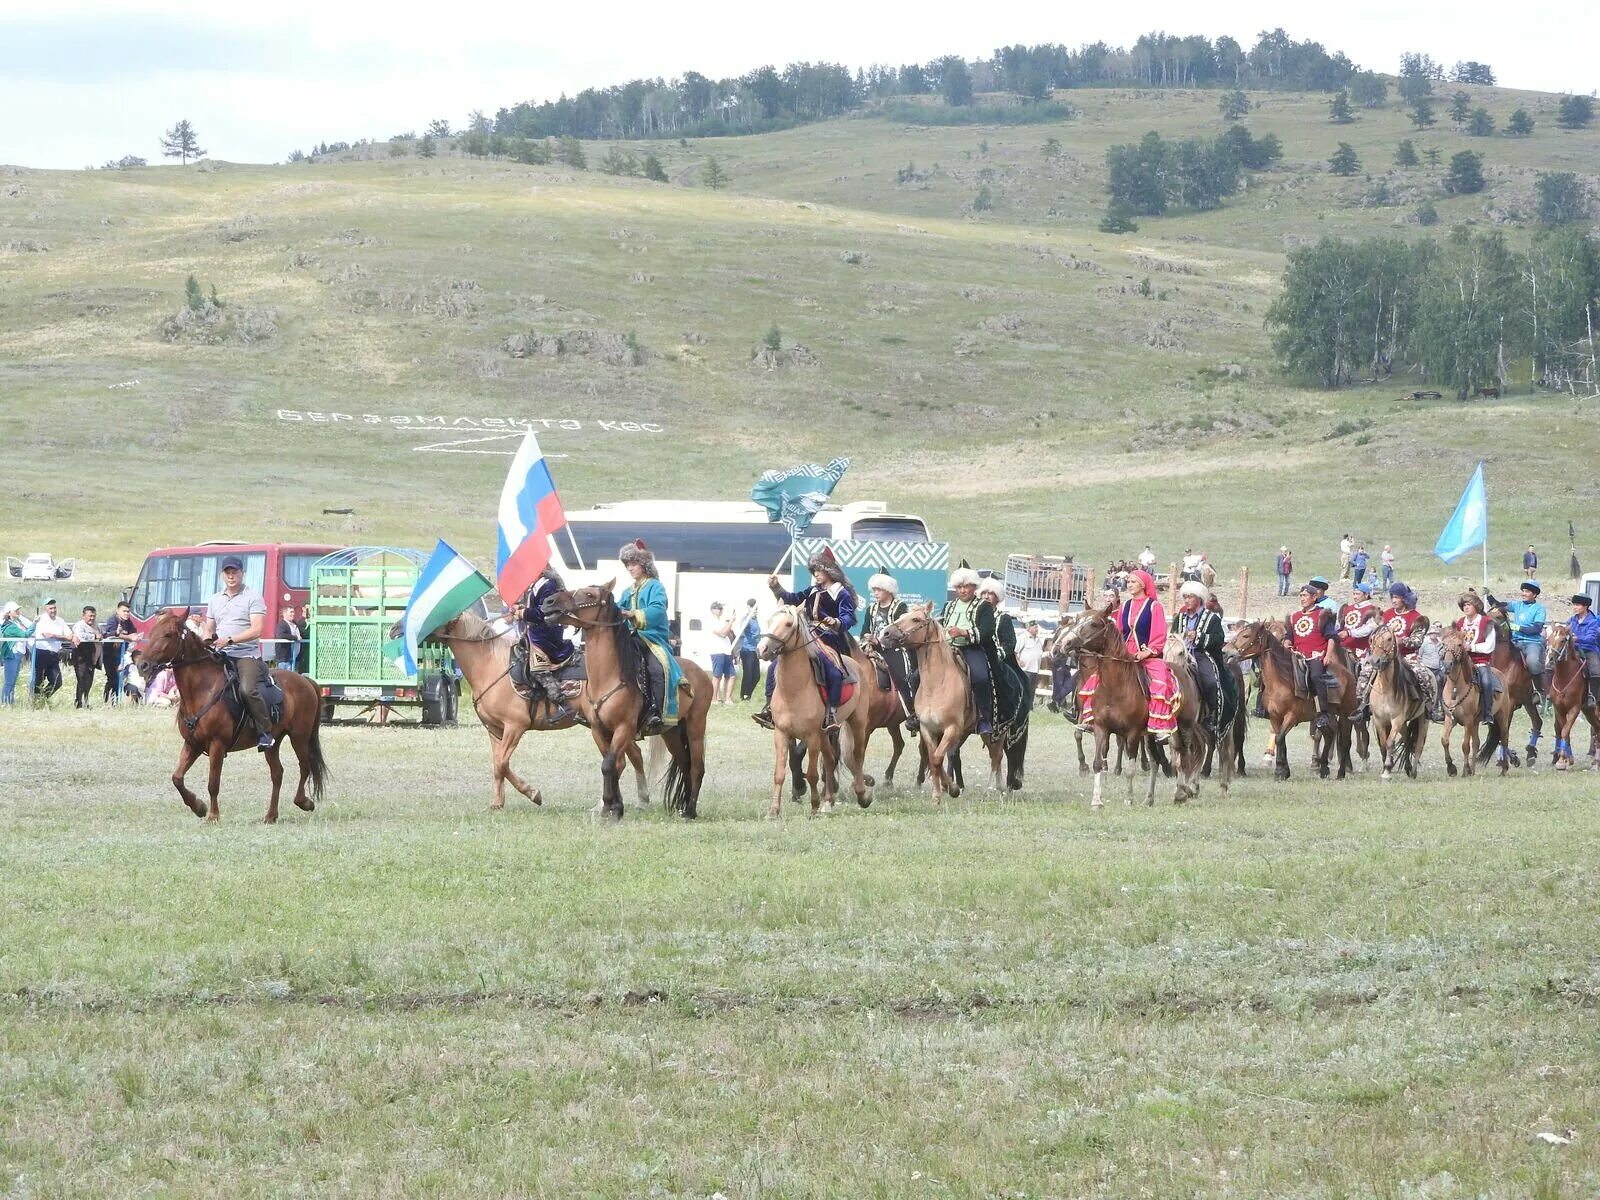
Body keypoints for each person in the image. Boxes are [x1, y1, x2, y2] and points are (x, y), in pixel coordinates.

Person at [754, 547, 855, 732]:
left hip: (829, 638)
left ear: (829, 571)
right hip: (806, 636)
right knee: (773, 667)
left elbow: (849, 618)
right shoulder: (813, 590)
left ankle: (830, 714)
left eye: (819, 570)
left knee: (833, 671)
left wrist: (836, 621)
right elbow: (791, 598)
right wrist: (776, 587)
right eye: (814, 571)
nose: (816, 574)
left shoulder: (842, 593)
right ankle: (770, 708)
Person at [1079, 570, 1176, 741]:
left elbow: (1160, 634)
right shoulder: (1125, 606)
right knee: (1096, 678)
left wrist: (1147, 652)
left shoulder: (1154, 606)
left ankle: (1159, 726)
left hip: (1147, 655)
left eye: (1133, 582)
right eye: (1128, 582)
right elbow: (1119, 632)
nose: (1129, 585)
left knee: (1160, 681)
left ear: (1143, 584)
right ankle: (1092, 719)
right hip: (1124, 654)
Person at [203, 554, 275, 749]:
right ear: (222, 575)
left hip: (246, 654)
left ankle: (265, 732)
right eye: (227, 572)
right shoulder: (215, 599)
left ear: (242, 574)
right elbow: (208, 627)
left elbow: (257, 629)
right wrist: (207, 640)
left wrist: (230, 640)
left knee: (246, 689)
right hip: (221, 653)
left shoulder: (253, 597)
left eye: (235, 572)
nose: (231, 576)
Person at [618, 540, 683, 735]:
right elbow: (616, 609)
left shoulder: (656, 587)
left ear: (644, 565)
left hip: (652, 639)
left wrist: (633, 614)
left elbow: (657, 610)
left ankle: (657, 710)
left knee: (656, 668)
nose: (630, 568)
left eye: (633, 564)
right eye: (627, 564)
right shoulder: (626, 591)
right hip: (630, 638)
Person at [509, 564, 580, 725]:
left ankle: (563, 704)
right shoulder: (537, 585)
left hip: (547, 634)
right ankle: (537, 694)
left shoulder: (549, 585)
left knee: (538, 669)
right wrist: (522, 608)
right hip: (536, 632)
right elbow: (534, 607)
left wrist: (523, 613)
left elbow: (544, 612)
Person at [858, 569, 917, 732]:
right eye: (874, 590)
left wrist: (880, 642)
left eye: (879, 589)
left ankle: (912, 711)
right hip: (871, 648)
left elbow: (902, 633)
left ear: (888, 590)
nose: (875, 593)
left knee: (903, 674)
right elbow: (864, 630)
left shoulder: (900, 607)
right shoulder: (871, 609)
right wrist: (867, 638)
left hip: (895, 650)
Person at [1173, 580, 1231, 736]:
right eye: (1185, 597)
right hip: (1179, 654)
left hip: (1201, 653)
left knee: (1210, 680)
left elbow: (1219, 639)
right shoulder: (1179, 618)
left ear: (1199, 598)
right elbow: (1172, 636)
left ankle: (1212, 714)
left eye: (1190, 597)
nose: (1186, 600)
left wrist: (1199, 636)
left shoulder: (1212, 619)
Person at [1287, 583, 1339, 734]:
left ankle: (1324, 713)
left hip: (1316, 655)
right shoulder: (1295, 616)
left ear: (1314, 597)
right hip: (1297, 655)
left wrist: (1328, 655)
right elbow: (1289, 637)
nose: (1302, 598)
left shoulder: (1322, 615)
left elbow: (1331, 637)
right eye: (1300, 595)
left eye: (1305, 596)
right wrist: (1286, 644)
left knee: (1316, 675)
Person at [1454, 593, 1498, 725]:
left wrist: (1471, 647)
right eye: (1464, 605)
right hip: (1462, 663)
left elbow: (1490, 646)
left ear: (1476, 606)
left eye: (1469, 604)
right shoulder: (1460, 623)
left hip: (1480, 662)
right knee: (1444, 676)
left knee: (1486, 682)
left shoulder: (1486, 622)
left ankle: (1487, 713)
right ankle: (1442, 708)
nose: (1466, 607)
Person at [1502, 581, 1547, 684]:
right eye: (1522, 591)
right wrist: (1488, 596)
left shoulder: (1540, 609)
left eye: (1527, 591)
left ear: (1534, 594)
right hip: (1515, 641)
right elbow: (1501, 605)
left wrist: (1517, 627)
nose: (1523, 593)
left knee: (1532, 662)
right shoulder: (1517, 605)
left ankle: (1538, 689)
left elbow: (1536, 629)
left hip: (1532, 643)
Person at [30, 597, 71, 705]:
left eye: (54, 608)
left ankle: (42, 699)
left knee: (57, 681)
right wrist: (64, 637)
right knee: (39, 681)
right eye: (50, 608)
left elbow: (69, 634)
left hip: (54, 654)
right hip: (41, 653)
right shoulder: (41, 619)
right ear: (45, 609)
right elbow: (48, 635)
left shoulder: (60, 621)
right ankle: (35, 703)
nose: (53, 610)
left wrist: (67, 637)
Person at [100, 600, 138, 704]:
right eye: (124, 611)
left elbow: (134, 631)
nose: (126, 614)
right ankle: (109, 701)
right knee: (113, 678)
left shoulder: (128, 622)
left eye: (128, 611)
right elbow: (111, 635)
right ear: (118, 611)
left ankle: (114, 701)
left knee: (118, 679)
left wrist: (132, 636)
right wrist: (128, 637)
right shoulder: (112, 620)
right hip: (110, 655)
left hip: (121, 654)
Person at [1568, 593, 1600, 708]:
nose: (1575, 607)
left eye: (1577, 605)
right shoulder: (1571, 620)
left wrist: (1577, 638)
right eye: (1574, 605)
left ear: (1585, 606)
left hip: (1589, 649)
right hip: (1573, 649)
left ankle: (1592, 695)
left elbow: (1591, 638)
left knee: (1595, 669)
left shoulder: (1593, 621)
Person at [70, 604, 101, 708]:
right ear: (83, 616)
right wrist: (94, 636)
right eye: (90, 616)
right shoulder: (79, 625)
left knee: (89, 680)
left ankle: (85, 701)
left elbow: (101, 634)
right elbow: (80, 635)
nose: (92, 618)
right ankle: (79, 702)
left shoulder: (96, 625)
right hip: (80, 656)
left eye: (93, 616)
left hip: (91, 657)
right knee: (81, 679)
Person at [1, 601, 30, 706]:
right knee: (9, 682)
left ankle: (10, 702)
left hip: (17, 654)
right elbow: (25, 634)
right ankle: (5, 703)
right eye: (16, 610)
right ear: (9, 613)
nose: (18, 612)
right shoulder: (10, 625)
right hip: (11, 655)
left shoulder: (16, 622)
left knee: (12, 682)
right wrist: (35, 624)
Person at [708, 602, 736, 703]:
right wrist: (730, 622)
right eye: (718, 608)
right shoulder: (711, 621)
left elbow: (729, 632)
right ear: (712, 610)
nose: (720, 610)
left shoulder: (722, 621)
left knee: (731, 675)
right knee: (717, 676)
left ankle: (727, 698)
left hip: (726, 650)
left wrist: (729, 623)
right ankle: (714, 698)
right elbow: (723, 633)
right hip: (717, 651)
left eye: (721, 608)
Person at [737, 599, 761, 702]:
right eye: (752, 606)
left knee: (756, 675)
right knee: (748, 673)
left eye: (755, 607)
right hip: (747, 650)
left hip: (755, 650)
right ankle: (744, 696)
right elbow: (741, 629)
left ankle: (748, 694)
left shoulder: (756, 619)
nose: (754, 609)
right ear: (748, 607)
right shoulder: (746, 618)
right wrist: (748, 618)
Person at [274, 603, 305, 671]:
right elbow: (280, 635)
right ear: (285, 613)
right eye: (291, 612)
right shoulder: (282, 625)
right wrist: (295, 637)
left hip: (295, 658)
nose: (293, 614)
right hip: (285, 659)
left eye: (293, 612)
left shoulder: (294, 624)